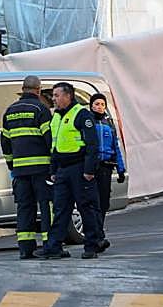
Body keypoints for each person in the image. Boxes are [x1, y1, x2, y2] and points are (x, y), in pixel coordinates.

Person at [40, 82, 104, 260]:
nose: (53, 99)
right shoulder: (57, 117)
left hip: (79, 168)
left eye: (56, 95)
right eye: (53, 96)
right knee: (60, 209)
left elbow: (92, 144)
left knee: (86, 207)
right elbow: (55, 145)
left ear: (68, 96)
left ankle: (91, 246)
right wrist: (53, 169)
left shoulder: (82, 115)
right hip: (62, 170)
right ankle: (54, 247)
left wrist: (89, 170)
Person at [0, 76, 53, 260]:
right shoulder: (41, 110)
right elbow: (49, 139)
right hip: (41, 168)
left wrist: (11, 165)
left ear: (22, 89)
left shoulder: (9, 111)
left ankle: (25, 248)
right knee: (47, 206)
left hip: (20, 171)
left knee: (24, 208)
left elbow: (5, 142)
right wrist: (54, 164)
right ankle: (50, 244)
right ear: (38, 90)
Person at [89, 93, 126, 247]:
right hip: (92, 166)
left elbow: (115, 146)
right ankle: (97, 234)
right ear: (91, 106)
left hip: (106, 166)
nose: (100, 107)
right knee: (93, 202)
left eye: (102, 104)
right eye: (97, 104)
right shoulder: (88, 122)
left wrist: (121, 168)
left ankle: (99, 230)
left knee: (104, 202)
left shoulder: (108, 123)